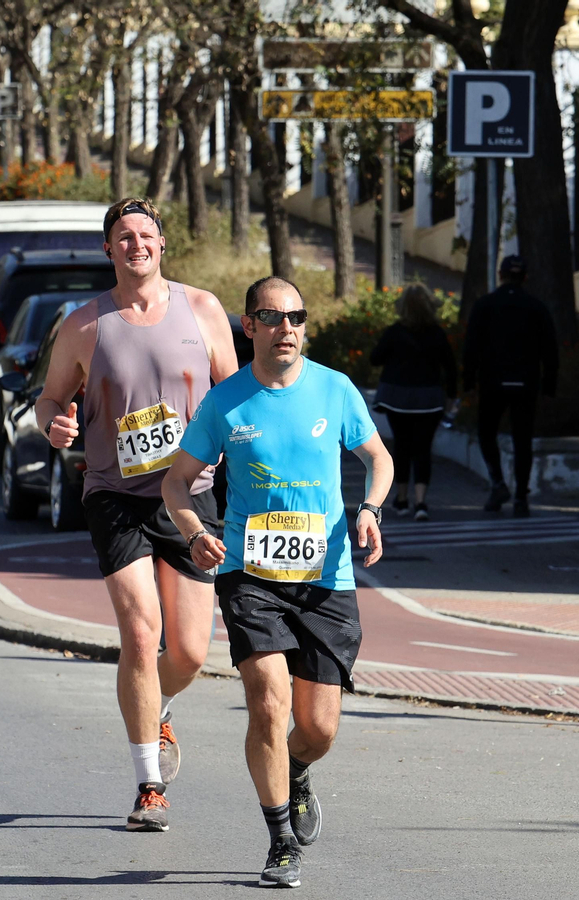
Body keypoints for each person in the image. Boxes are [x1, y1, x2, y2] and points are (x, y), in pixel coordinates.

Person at [161, 274, 392, 889]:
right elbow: (175, 482)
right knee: (267, 700)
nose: (286, 329)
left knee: (318, 728)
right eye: (272, 317)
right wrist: (194, 533)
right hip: (249, 574)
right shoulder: (225, 402)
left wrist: (369, 510)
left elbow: (379, 458)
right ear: (249, 327)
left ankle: (295, 771)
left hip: (326, 575)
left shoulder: (335, 390)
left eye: (297, 317)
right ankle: (280, 839)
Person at [34, 197, 237, 833]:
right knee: (141, 635)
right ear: (108, 249)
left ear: (163, 244)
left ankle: (163, 706)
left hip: (191, 493)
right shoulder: (84, 324)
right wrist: (56, 426)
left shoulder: (201, 309)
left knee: (192, 653)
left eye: (145, 235)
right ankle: (149, 783)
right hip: (114, 496)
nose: (136, 246)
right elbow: (47, 399)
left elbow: (235, 395)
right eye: (123, 237)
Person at [461, 255, 559, 518]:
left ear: (501, 275)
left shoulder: (485, 305)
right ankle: (521, 498)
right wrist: (549, 386)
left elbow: (471, 347)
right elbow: (550, 349)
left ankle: (498, 483)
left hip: (493, 382)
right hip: (526, 382)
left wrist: (468, 381)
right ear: (525, 277)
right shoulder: (536, 307)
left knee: (486, 433)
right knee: (522, 440)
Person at [369, 284, 457, 521]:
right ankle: (421, 502)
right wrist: (451, 397)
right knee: (423, 449)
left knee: (402, 446)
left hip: (398, 399)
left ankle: (401, 498)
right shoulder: (437, 334)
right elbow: (450, 368)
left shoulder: (395, 332)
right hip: (429, 399)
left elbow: (374, 359)